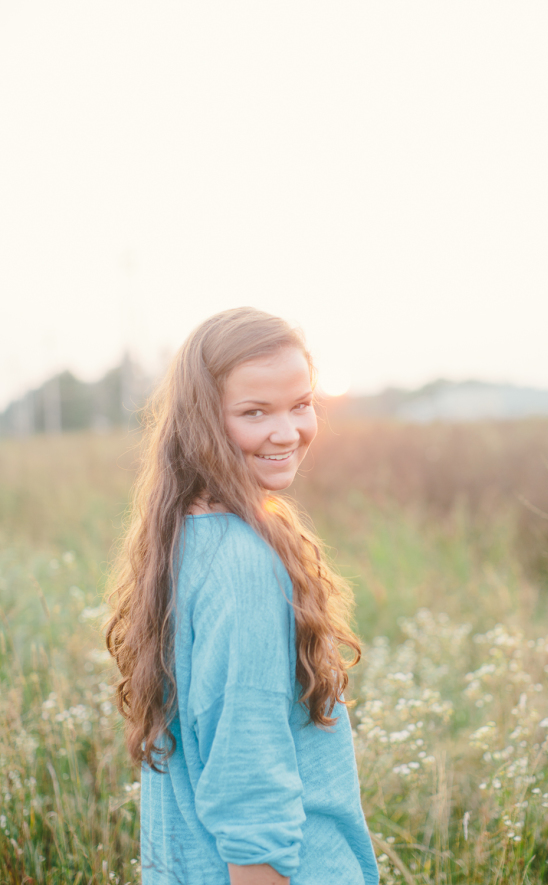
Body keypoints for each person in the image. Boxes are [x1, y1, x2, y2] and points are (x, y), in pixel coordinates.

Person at [106, 307, 379, 885]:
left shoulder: (187, 534)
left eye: (301, 404)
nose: (288, 432)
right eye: (255, 412)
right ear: (204, 421)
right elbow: (248, 784)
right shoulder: (243, 568)